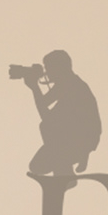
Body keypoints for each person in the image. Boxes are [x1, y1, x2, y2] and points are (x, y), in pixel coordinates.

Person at [21, 50, 101, 182]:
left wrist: (35, 87)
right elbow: (44, 102)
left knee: (46, 126)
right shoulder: (69, 83)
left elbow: (46, 117)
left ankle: (65, 174)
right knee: (36, 166)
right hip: (76, 137)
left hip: (80, 138)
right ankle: (66, 169)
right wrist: (34, 85)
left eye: (48, 68)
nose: (47, 72)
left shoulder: (73, 87)